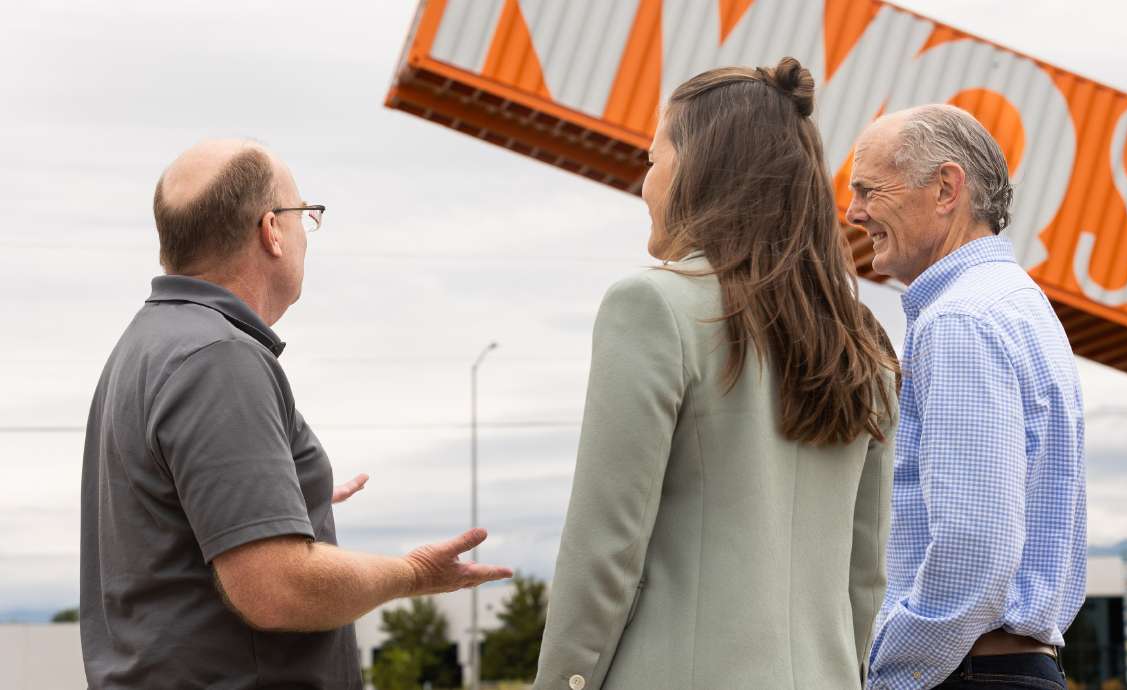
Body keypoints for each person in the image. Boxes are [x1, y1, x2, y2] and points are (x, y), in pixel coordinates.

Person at [80, 139, 512, 689]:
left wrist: (271, 497)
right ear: (272, 231)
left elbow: (169, 515)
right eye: (305, 214)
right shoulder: (218, 356)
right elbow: (275, 590)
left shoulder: (147, 344)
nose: (308, 231)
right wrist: (414, 574)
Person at [533, 58, 900, 690]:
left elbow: (605, 550)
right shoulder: (863, 344)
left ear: (699, 170)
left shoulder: (652, 308)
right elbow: (864, 579)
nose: (645, 184)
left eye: (654, 161)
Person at [847, 105, 1086, 690]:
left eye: (869, 190)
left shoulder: (958, 320)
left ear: (947, 188)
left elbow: (973, 541)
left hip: (969, 671)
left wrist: (887, 673)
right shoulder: (1017, 302)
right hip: (1013, 666)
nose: (853, 213)